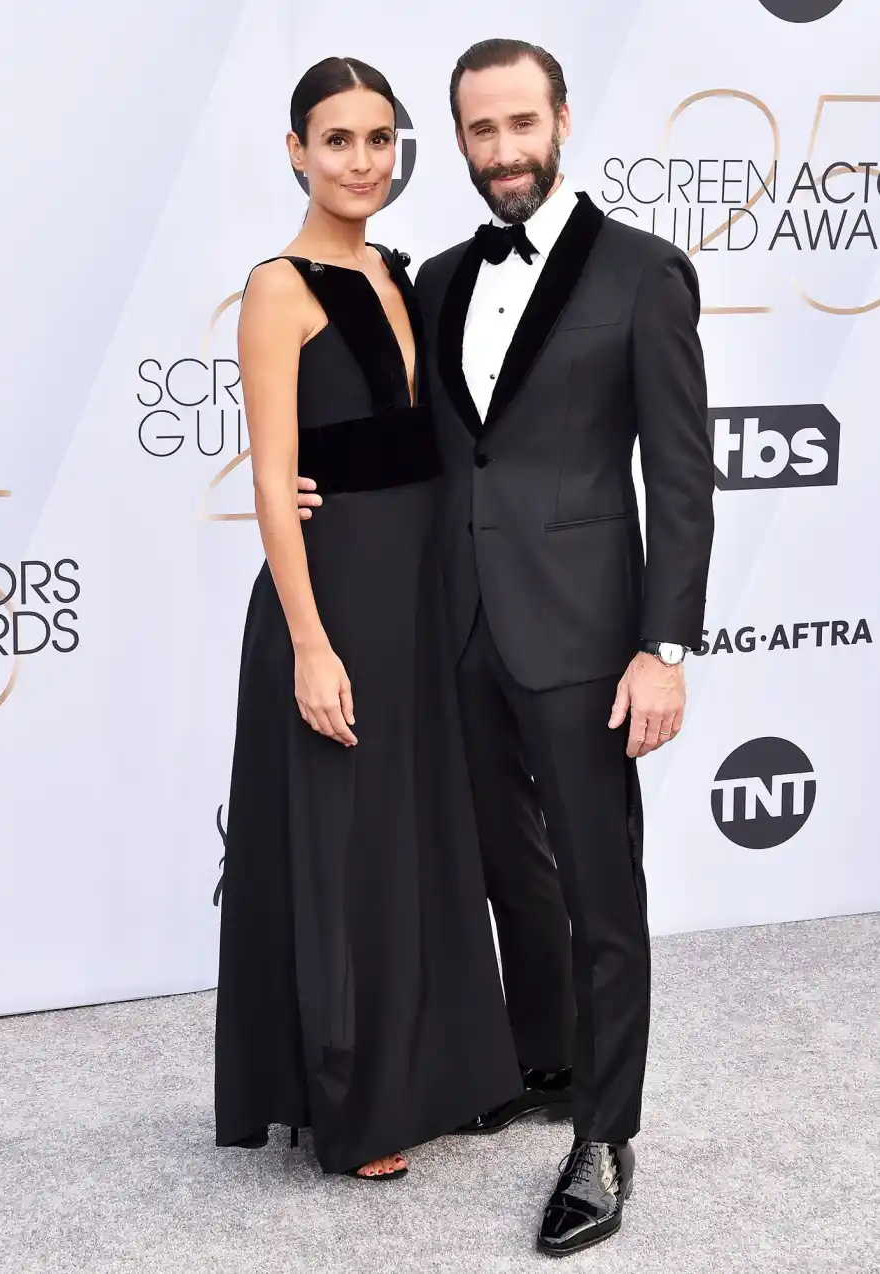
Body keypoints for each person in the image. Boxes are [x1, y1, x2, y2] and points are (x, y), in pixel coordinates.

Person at [297, 39, 715, 1252]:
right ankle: (544, 1058)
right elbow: (422, 440)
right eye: (478, 132)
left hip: (587, 631)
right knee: (497, 863)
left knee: (598, 884)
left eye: (518, 126)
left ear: (561, 120)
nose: (500, 153)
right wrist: (314, 481)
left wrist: (664, 646)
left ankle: (604, 1129)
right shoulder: (430, 275)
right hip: (453, 621)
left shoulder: (643, 274)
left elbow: (681, 479)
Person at [214, 55, 523, 1183]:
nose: (360, 160)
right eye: (336, 139)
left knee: (418, 840)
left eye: (380, 139)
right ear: (295, 150)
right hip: (334, 601)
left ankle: (436, 1071)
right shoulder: (277, 285)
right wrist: (307, 639)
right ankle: (350, 1104)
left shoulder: (402, 273)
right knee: (345, 852)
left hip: (420, 597)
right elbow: (271, 476)